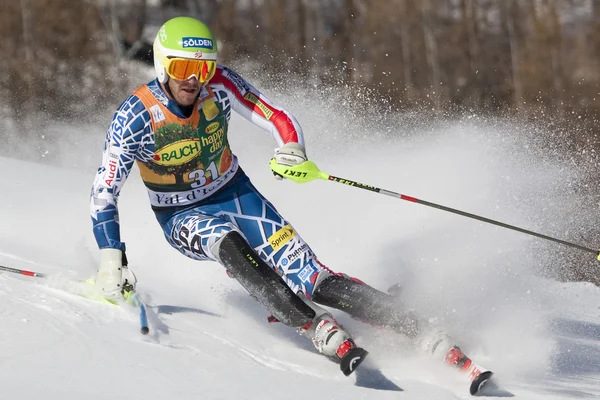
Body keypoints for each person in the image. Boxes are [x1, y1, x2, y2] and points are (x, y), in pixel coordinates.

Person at [90, 16, 486, 381]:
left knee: (313, 278)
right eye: (182, 69)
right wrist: (112, 262)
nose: (194, 80)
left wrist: (291, 149)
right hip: (181, 215)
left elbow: (275, 115)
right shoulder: (135, 117)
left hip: (236, 193)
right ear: (162, 65)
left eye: (203, 68)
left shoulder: (221, 85)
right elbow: (104, 193)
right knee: (230, 246)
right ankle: (315, 327)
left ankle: (416, 328)